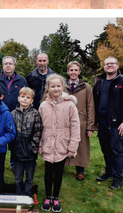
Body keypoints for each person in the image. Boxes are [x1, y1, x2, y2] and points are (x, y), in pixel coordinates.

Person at [93, 56, 123, 191]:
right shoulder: (99, 82)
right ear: (104, 67)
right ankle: (109, 172)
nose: (109, 66)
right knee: (106, 151)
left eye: (112, 64)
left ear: (117, 66)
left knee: (117, 152)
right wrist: (95, 121)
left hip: (117, 125)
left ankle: (118, 178)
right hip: (102, 124)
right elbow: (94, 103)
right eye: (107, 64)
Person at [38, 74, 80, 213]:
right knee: (48, 172)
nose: (55, 89)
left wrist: (72, 147)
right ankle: (47, 196)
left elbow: (75, 126)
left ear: (62, 87)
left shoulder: (70, 105)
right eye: (52, 86)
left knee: (58, 173)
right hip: (47, 144)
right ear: (48, 88)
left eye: (58, 86)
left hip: (63, 145)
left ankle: (56, 197)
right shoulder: (43, 105)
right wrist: (39, 144)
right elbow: (38, 127)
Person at [66, 61, 95, 180]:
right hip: (65, 120)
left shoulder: (86, 87)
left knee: (81, 145)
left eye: (75, 70)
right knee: (64, 143)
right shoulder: (63, 86)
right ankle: (61, 166)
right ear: (68, 72)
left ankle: (80, 170)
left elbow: (91, 106)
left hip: (81, 120)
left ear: (79, 72)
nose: (73, 72)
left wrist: (90, 126)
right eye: (71, 70)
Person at [11, 87, 42, 196]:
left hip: (30, 150)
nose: (25, 99)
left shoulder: (35, 114)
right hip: (17, 150)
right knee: (18, 176)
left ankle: (27, 195)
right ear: (18, 98)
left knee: (29, 176)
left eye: (27, 97)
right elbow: (10, 131)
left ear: (31, 101)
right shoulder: (13, 114)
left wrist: (33, 147)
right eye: (22, 97)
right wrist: (13, 146)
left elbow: (37, 132)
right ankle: (19, 195)